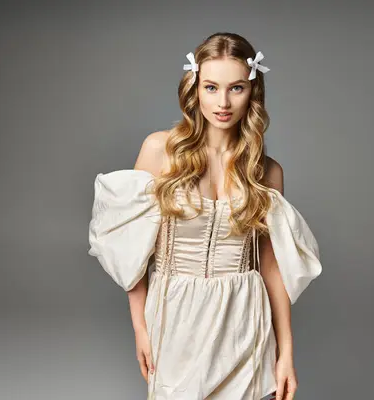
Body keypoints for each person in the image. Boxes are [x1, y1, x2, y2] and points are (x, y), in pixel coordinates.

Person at [88, 32, 323, 400]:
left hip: (245, 313)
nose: (223, 102)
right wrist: (140, 327)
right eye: (211, 87)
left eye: (236, 88)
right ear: (195, 88)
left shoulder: (266, 171)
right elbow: (130, 249)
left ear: (252, 93)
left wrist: (286, 352)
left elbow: (272, 266)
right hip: (176, 313)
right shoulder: (159, 150)